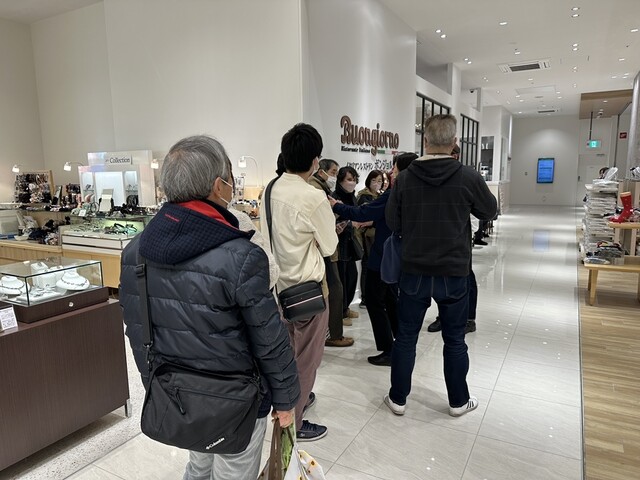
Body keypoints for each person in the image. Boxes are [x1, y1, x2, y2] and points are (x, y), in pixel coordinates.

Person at [119, 135, 300, 480]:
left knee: (198, 465)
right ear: (219, 186)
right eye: (230, 179)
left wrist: (160, 385)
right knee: (233, 473)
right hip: (238, 401)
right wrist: (286, 399)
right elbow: (269, 339)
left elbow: (137, 330)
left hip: (179, 394)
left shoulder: (134, 251)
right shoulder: (242, 257)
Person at [384, 114, 497, 418]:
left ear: (425, 141)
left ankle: (398, 398)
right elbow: (489, 210)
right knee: (455, 339)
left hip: (414, 270)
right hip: (454, 271)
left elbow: (392, 221)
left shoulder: (405, 179)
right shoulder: (468, 176)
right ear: (454, 142)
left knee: (406, 337)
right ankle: (458, 401)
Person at [260, 123, 338, 441]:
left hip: (278, 288)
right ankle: (295, 420)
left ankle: (294, 399)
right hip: (308, 292)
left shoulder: (270, 189)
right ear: (315, 161)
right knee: (307, 359)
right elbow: (330, 246)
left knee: (288, 354)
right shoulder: (313, 197)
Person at [329, 154, 417, 366]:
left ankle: (388, 348)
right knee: (391, 299)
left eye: (395, 169)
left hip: (384, 256)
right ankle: (400, 343)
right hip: (401, 255)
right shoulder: (415, 192)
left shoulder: (394, 193)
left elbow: (362, 212)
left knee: (375, 300)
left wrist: (336, 206)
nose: (391, 173)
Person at [308, 158, 354, 348]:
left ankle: (331, 332)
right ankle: (333, 334)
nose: (335, 176)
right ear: (320, 170)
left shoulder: (320, 187)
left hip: (326, 246)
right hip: (324, 248)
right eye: (334, 172)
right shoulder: (315, 189)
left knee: (337, 287)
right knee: (334, 289)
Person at [332, 166, 363, 326]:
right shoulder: (334, 197)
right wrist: (350, 224)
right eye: (349, 179)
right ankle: (341, 312)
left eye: (354, 179)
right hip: (339, 244)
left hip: (351, 242)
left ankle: (346, 307)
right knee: (342, 279)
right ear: (340, 180)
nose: (352, 183)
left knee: (352, 277)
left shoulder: (352, 197)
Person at [355, 170, 384, 309]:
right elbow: (366, 216)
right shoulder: (364, 196)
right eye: (374, 180)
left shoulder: (381, 196)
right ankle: (365, 298)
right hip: (367, 236)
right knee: (367, 266)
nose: (377, 183)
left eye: (380, 181)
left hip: (378, 235)